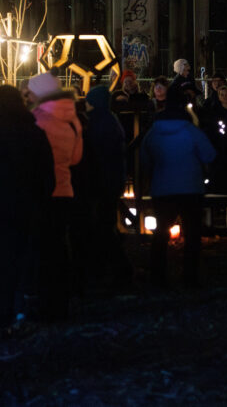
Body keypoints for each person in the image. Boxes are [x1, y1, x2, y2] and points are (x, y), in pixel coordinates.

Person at [140, 86, 216, 287]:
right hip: (191, 187)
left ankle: (157, 278)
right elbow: (209, 154)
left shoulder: (154, 131)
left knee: (161, 233)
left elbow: (144, 158)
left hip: (163, 188)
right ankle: (189, 278)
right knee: (192, 234)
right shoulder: (191, 130)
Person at [26, 71, 83, 321]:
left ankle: (47, 302)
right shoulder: (73, 118)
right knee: (60, 246)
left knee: (44, 250)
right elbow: (76, 159)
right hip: (66, 189)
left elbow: (32, 160)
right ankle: (63, 300)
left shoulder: (37, 120)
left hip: (44, 191)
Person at [0, 85, 54, 333]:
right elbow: (47, 173)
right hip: (26, 205)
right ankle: (18, 310)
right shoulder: (33, 131)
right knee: (23, 260)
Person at [80, 86, 133, 291]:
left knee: (102, 227)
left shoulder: (97, 123)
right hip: (110, 181)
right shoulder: (109, 120)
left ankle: (118, 270)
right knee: (104, 225)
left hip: (101, 182)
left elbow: (94, 154)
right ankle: (110, 269)